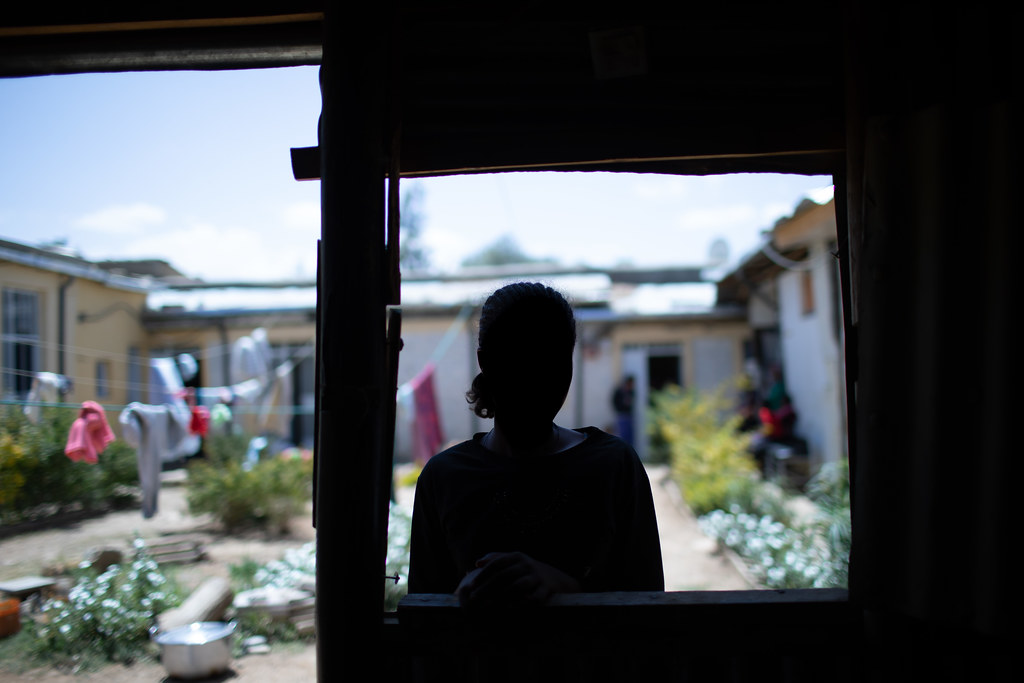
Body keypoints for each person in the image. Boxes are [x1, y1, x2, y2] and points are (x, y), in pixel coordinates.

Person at [408, 282, 664, 607]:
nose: (542, 377)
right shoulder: (443, 479)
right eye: (522, 358)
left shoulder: (615, 467)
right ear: (486, 362)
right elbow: (424, 620)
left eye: (556, 359)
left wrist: (565, 586)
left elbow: (649, 612)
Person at [611, 375, 636, 446]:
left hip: (628, 415)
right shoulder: (620, 391)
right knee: (623, 434)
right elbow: (614, 401)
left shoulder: (631, 391)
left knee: (629, 435)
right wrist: (619, 408)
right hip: (622, 415)